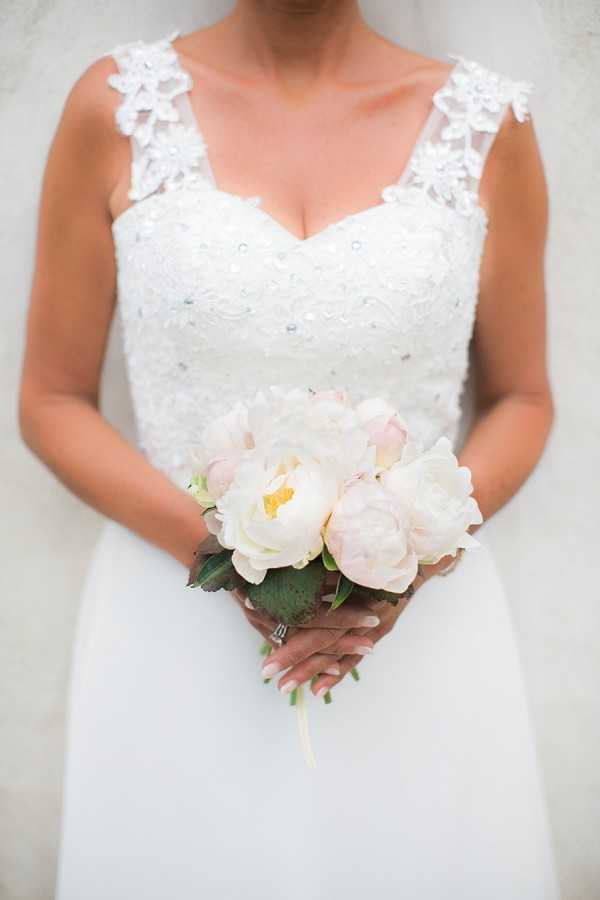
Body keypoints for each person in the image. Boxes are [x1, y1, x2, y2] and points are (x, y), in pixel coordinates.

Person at [18, 2, 559, 896]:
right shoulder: (114, 108)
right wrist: (225, 556)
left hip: (416, 635)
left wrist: (407, 561)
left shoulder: (487, 124)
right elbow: (50, 398)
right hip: (172, 619)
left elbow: (523, 398)